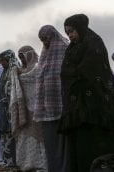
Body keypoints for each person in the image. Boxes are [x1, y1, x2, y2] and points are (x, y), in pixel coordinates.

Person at [58, 14, 114, 171]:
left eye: (72, 31)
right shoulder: (72, 49)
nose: (71, 35)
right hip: (79, 107)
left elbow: (90, 70)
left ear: (80, 28)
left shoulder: (94, 43)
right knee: (83, 147)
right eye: (68, 33)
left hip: (99, 104)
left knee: (100, 144)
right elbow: (65, 71)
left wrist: (74, 75)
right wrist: (72, 76)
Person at [32, 25, 69, 172]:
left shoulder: (65, 48)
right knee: (50, 143)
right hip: (46, 108)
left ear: (52, 36)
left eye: (46, 39)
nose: (44, 43)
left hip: (62, 106)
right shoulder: (45, 53)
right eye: (42, 41)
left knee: (63, 144)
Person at [10, 45, 47, 171]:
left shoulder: (37, 70)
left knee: (37, 137)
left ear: (30, 55)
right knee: (24, 136)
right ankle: (25, 163)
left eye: (23, 56)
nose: (21, 59)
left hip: (36, 108)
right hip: (22, 108)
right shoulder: (18, 71)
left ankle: (40, 164)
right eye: (19, 57)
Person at [0, 49, 19, 166]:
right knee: (4, 133)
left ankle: (13, 161)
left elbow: (14, 88)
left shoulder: (14, 68)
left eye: (3, 61)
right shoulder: (4, 71)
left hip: (11, 106)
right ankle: (6, 159)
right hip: (2, 107)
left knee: (11, 132)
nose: (2, 63)